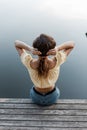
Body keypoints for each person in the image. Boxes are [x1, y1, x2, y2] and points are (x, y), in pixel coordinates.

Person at [15, 34, 75, 106]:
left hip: (35, 98)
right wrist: (58, 48)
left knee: (32, 89)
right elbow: (72, 44)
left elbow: (16, 43)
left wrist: (30, 49)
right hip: (52, 97)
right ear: (51, 50)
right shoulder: (57, 61)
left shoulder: (28, 62)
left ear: (35, 49)